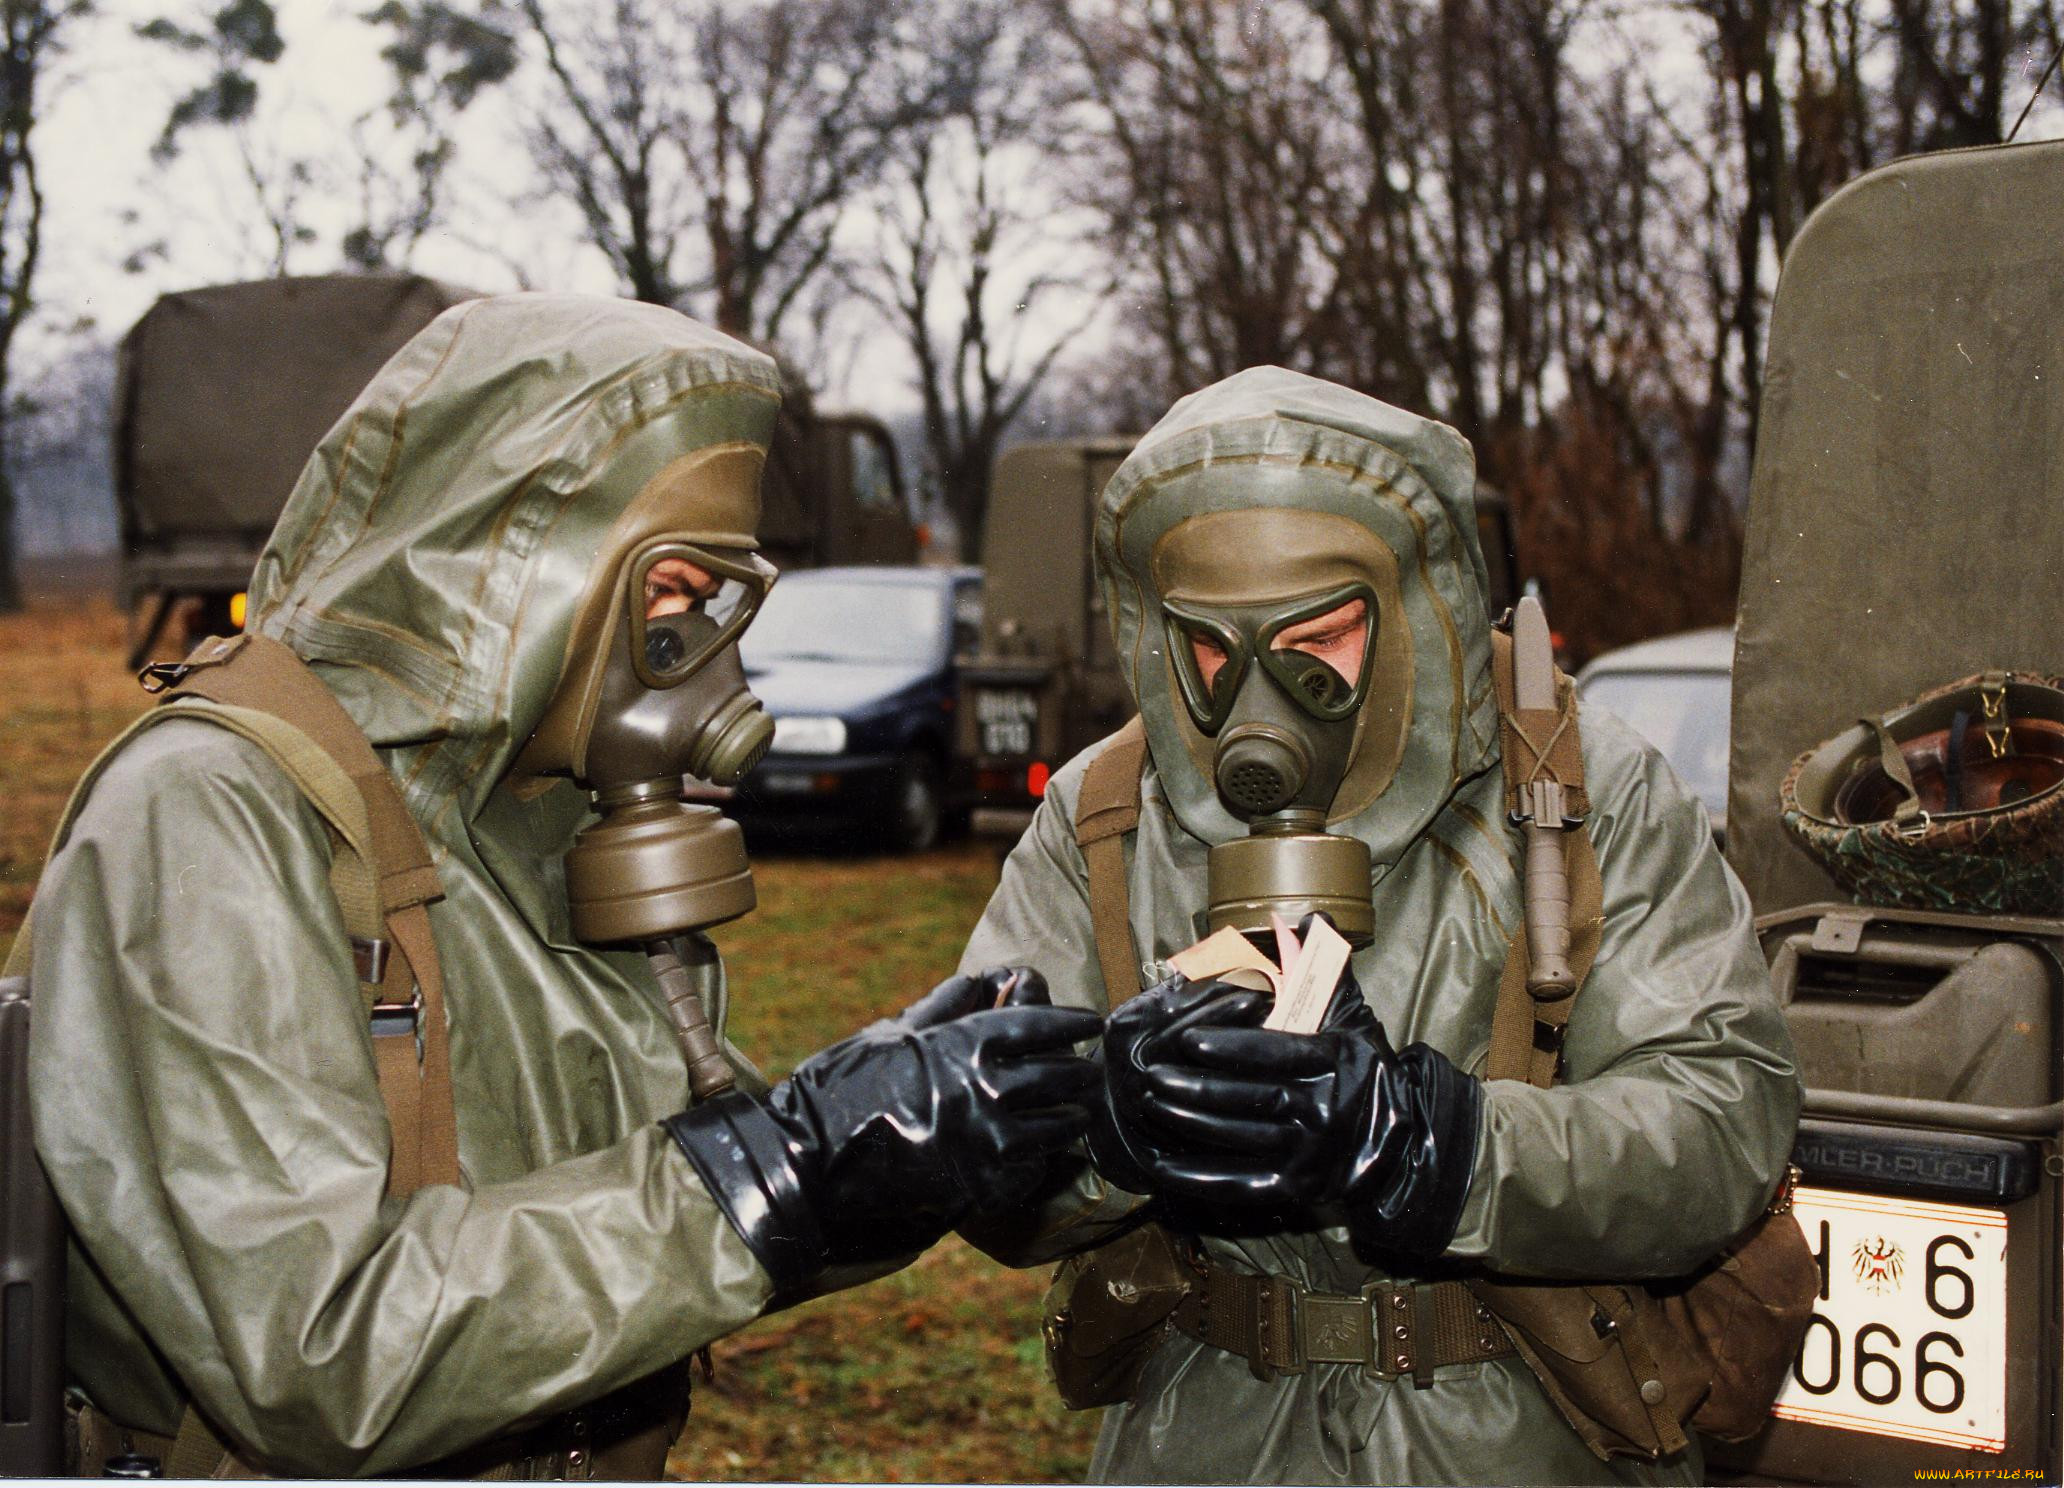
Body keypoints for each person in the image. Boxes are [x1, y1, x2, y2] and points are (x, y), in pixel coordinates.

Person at [24, 294, 1097, 1478]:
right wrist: (791, 1160)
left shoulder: (526, 820)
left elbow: (687, 1209)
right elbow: (321, 1354)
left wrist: (910, 1125)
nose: (711, 665)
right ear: (515, 565)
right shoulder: (210, 814)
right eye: (676, 596)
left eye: (724, 605)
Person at [958, 367, 1801, 1484]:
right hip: (1205, 1427)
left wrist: (1437, 1146)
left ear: (1419, 610)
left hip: (1523, 1427)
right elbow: (974, 1130)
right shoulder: (1105, 819)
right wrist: (1109, 1129)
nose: (1256, 703)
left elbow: (1720, 1122)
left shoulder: (1583, 792)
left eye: (1319, 640)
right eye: (1210, 651)